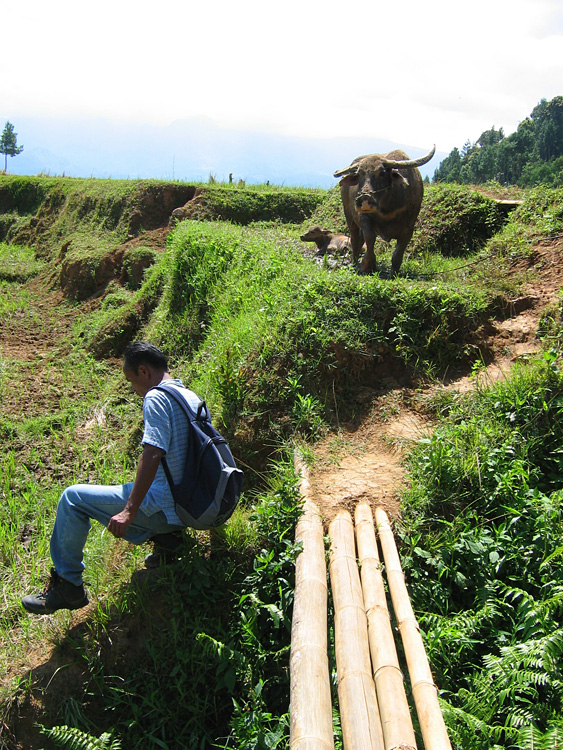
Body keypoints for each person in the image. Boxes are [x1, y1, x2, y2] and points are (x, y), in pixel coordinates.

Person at [22, 342, 201, 615]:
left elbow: (153, 453)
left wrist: (129, 511)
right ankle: (170, 542)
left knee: (73, 498)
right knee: (141, 484)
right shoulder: (189, 396)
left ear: (144, 371)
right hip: (191, 505)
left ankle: (68, 585)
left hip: (168, 509)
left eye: (131, 381)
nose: (133, 389)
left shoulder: (156, 397)